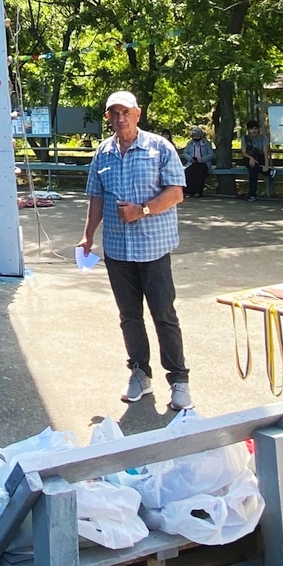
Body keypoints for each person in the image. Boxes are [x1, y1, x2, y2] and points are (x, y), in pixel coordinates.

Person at [79, 91, 192, 411]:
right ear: (108, 118)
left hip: (153, 248)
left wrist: (141, 210)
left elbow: (176, 193)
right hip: (117, 251)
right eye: (113, 113)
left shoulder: (159, 148)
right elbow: (96, 198)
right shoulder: (103, 153)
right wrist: (87, 236)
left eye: (125, 111)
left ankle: (179, 380)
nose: (120, 118)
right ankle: (139, 372)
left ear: (138, 113)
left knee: (164, 315)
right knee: (129, 316)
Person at [182, 126, 215, 197]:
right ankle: (188, 191)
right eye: (194, 135)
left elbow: (211, 154)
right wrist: (190, 158)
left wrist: (202, 159)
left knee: (200, 172)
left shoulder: (206, 143)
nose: (196, 137)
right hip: (192, 163)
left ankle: (198, 192)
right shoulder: (190, 143)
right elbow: (185, 153)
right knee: (188, 171)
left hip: (203, 163)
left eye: (197, 135)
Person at [240, 121, 269, 200]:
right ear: (248, 130)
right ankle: (262, 170)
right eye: (251, 129)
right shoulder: (245, 138)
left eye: (255, 129)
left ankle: (251, 194)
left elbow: (266, 153)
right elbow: (244, 152)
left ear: (258, 129)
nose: (253, 131)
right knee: (248, 162)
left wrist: (266, 165)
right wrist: (251, 158)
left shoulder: (263, 138)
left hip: (259, 159)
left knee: (252, 169)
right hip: (249, 158)